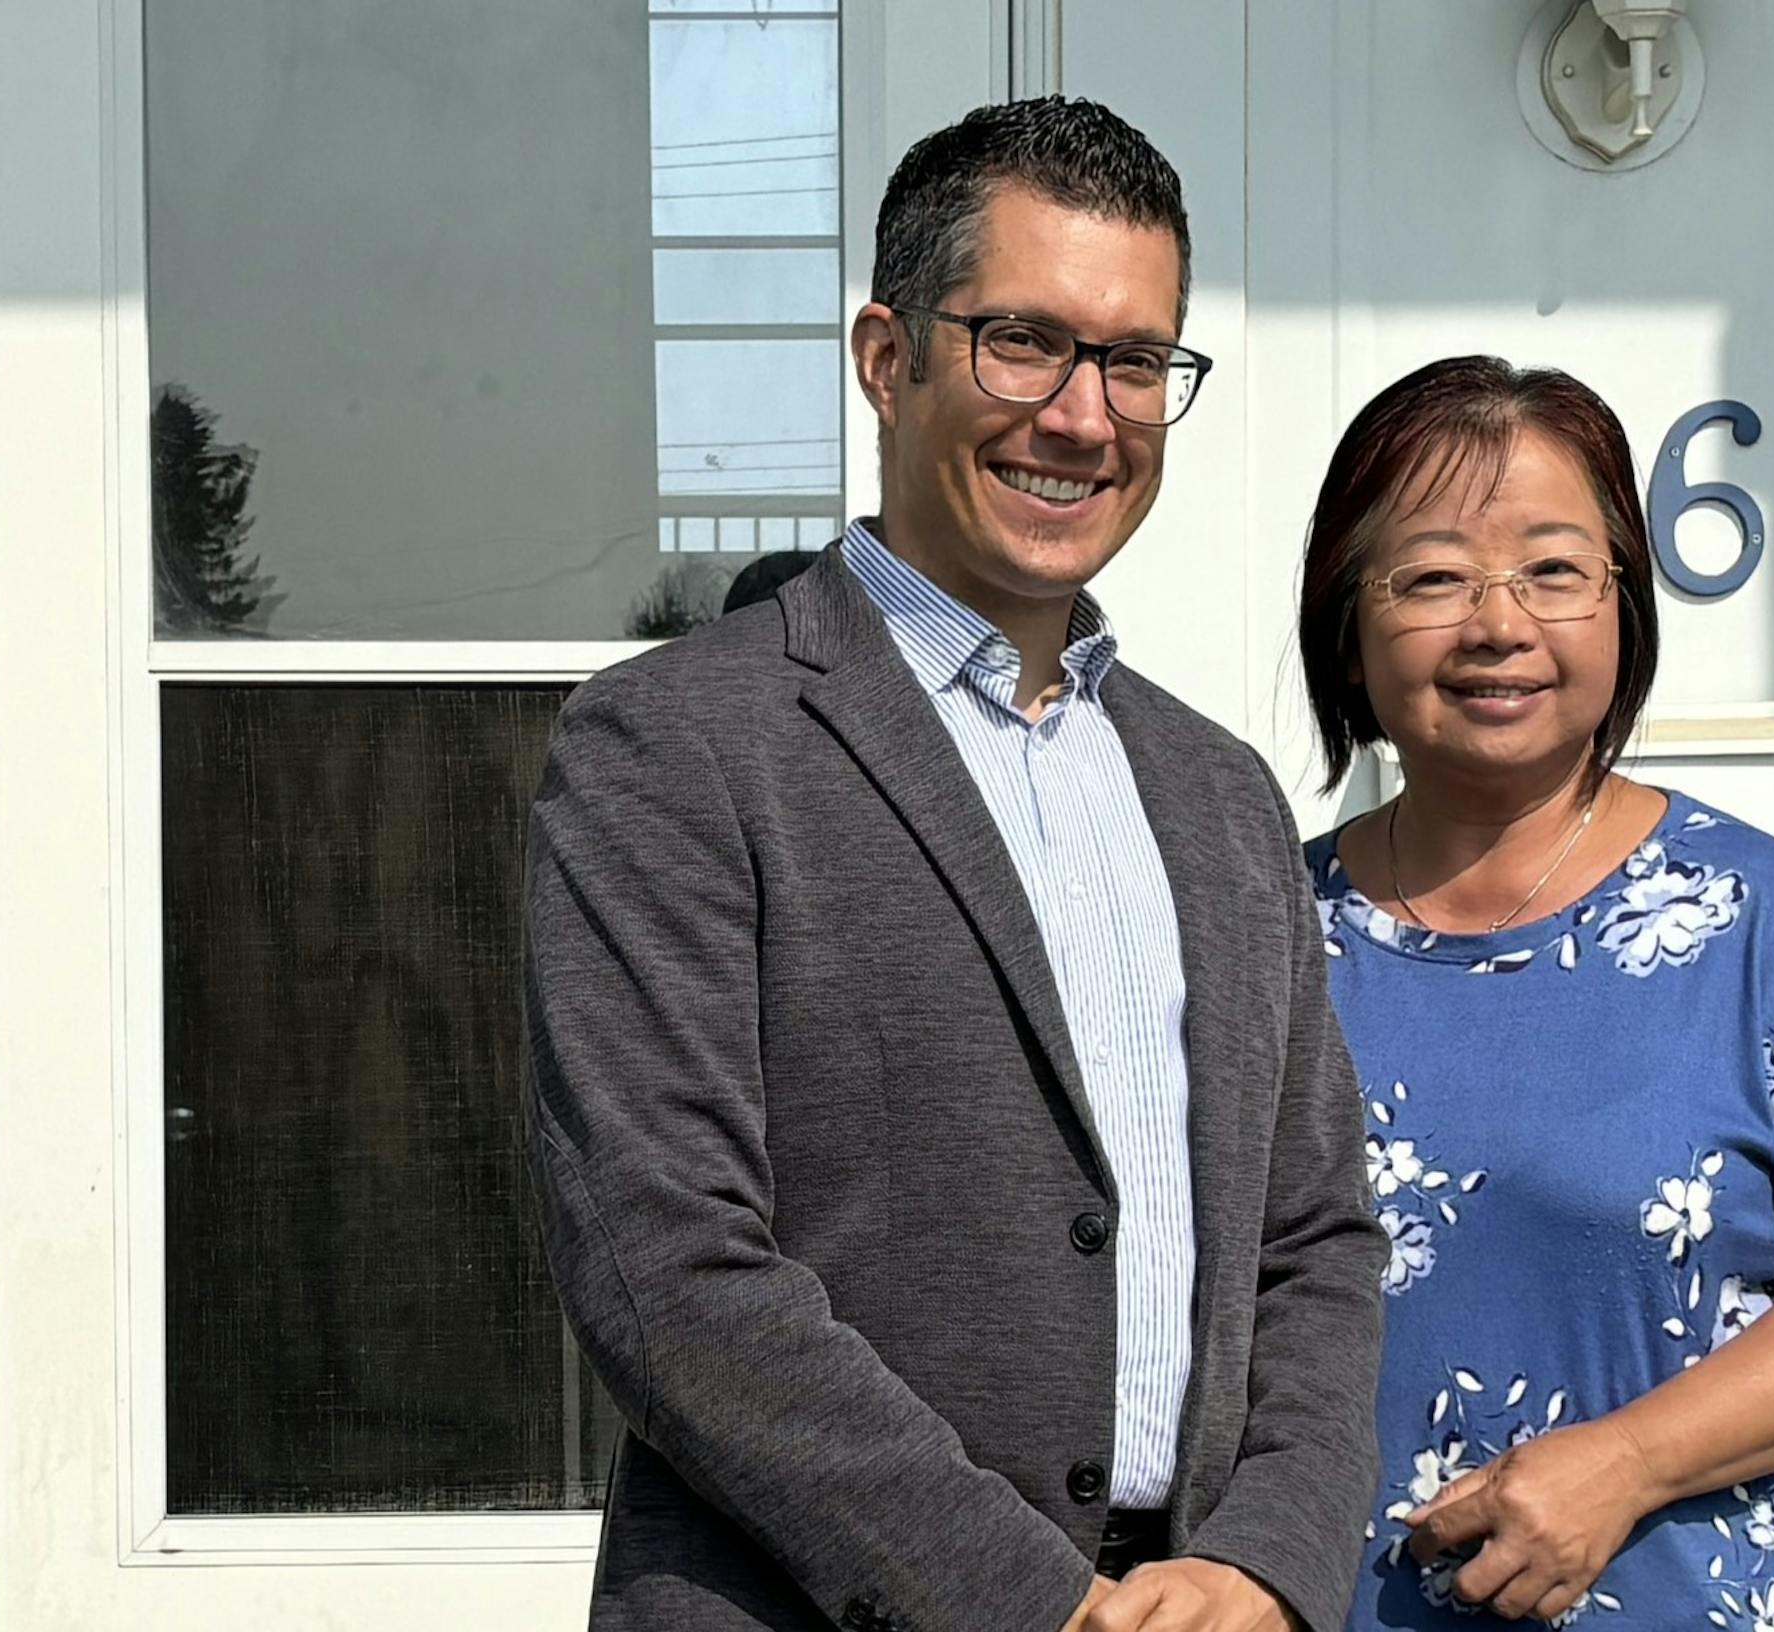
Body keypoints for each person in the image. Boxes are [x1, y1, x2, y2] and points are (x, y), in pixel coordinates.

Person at [524, 98, 1383, 1632]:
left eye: (1135, 361)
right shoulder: (674, 747)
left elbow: (1313, 1240)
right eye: (1024, 342)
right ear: (885, 356)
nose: (1084, 416)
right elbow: (667, 1264)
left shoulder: (1220, 794)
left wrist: (1266, 1565)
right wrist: (1021, 1601)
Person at [1290, 358, 1774, 1627]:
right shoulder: (1261, 937)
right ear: (1349, 618)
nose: (1499, 624)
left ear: (1625, 603)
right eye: (1434, 576)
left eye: (1555, 571)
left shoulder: (1757, 924)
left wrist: (1626, 1462)